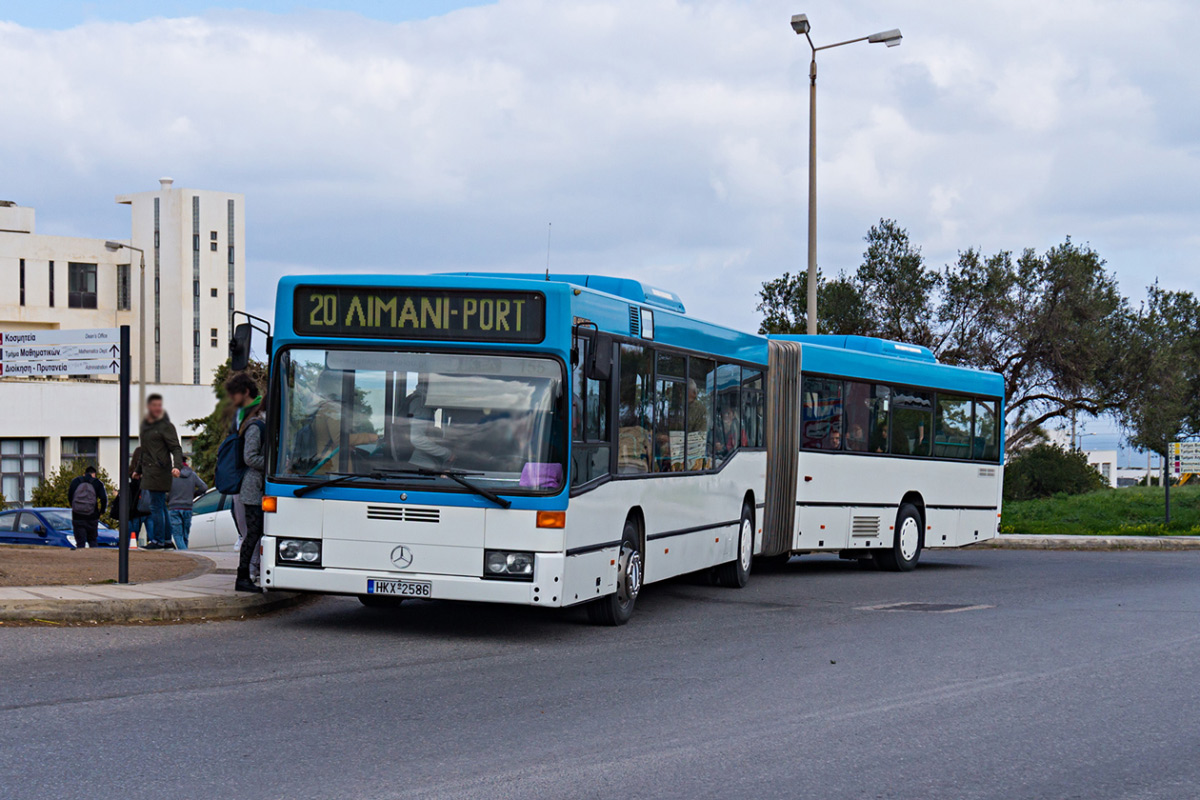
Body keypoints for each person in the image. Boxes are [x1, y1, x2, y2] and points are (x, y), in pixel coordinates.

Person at [225, 372, 267, 593]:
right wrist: (271, 464)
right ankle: (245, 575)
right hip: (252, 484)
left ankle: (248, 573)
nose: (232, 399)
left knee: (253, 531)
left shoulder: (250, 418)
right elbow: (250, 457)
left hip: (252, 484)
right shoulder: (254, 423)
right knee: (252, 532)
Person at [137, 394, 184, 549]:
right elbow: (144, 451)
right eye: (154, 405)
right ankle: (166, 540)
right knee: (161, 506)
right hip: (149, 471)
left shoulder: (165, 426)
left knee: (156, 507)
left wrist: (177, 466)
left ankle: (158, 540)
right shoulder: (146, 427)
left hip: (160, 471)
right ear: (149, 407)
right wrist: (138, 470)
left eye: (159, 405)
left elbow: (176, 448)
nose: (157, 408)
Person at [167, 456, 207, 550]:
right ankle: (185, 553)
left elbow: (164, 490)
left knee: (177, 535)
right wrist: (193, 495)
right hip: (188, 507)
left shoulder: (171, 475)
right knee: (185, 535)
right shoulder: (192, 475)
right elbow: (204, 487)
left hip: (174, 508)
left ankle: (185, 554)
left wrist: (169, 498)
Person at [67, 466, 108, 549]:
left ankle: (81, 560)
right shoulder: (97, 483)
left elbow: (70, 496)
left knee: (80, 542)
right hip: (92, 516)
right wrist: (101, 511)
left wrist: (74, 507)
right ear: (94, 474)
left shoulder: (75, 481)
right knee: (92, 540)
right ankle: (94, 560)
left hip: (77, 516)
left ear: (84, 474)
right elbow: (104, 498)